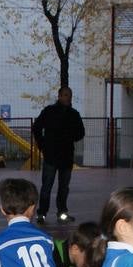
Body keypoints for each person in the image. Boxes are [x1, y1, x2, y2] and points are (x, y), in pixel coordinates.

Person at [32, 86, 86, 224]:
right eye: (66, 95)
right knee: (49, 186)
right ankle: (45, 213)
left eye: (70, 95)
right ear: (60, 96)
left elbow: (81, 132)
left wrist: (43, 143)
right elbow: (36, 127)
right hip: (55, 154)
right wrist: (43, 143)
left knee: (61, 187)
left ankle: (56, 212)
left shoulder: (71, 114)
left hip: (62, 155)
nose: (68, 98)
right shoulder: (54, 112)